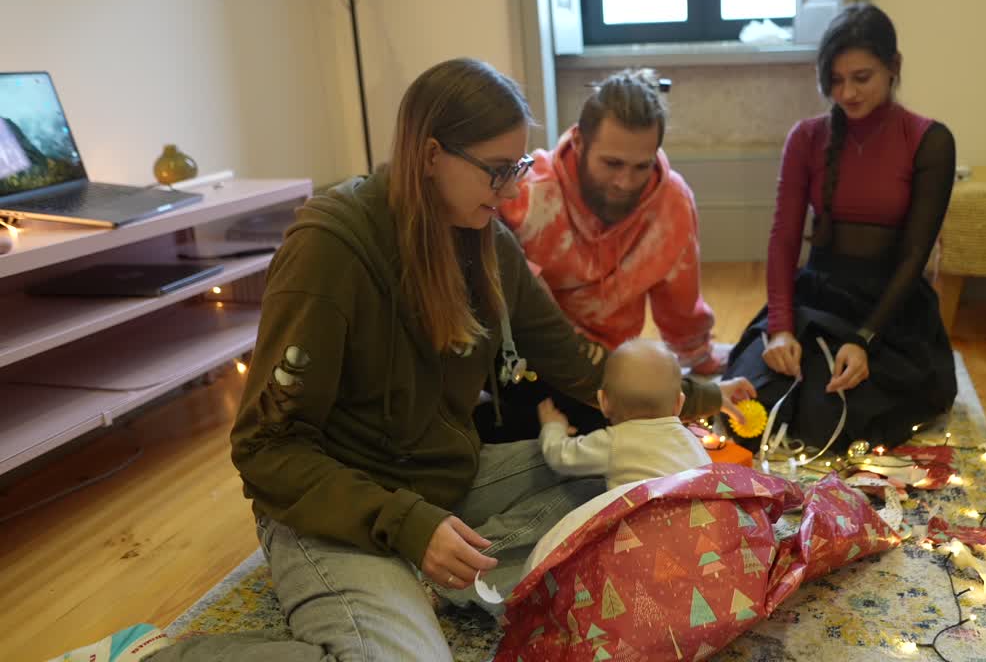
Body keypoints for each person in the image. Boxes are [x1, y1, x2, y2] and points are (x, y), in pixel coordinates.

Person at [51, 58, 754, 662]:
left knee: (633, 482)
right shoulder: (330, 247)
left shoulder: (481, 239)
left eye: (518, 168)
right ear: (429, 154)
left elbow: (573, 361)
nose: (512, 190)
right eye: (496, 170)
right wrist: (408, 525)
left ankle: (420, 584)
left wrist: (700, 398)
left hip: (440, 479)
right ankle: (149, 653)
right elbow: (267, 448)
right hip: (333, 506)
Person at [725, 3, 958, 454]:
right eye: (835, 80)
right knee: (753, 400)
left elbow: (915, 257)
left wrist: (865, 339)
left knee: (823, 417)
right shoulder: (806, 137)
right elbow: (784, 240)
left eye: (861, 77)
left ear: (894, 68)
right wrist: (780, 328)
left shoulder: (931, 141)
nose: (847, 93)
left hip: (889, 307)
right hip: (818, 294)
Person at [479, 69, 723, 444]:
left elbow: (681, 311)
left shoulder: (672, 203)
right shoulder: (525, 193)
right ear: (578, 141)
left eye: (641, 166)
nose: (625, 182)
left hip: (609, 376)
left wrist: (703, 363)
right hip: (530, 365)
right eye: (612, 164)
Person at [538, 339, 713, 491]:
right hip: (712, 520)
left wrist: (553, 426)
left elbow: (561, 457)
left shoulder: (613, 442)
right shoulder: (690, 439)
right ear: (679, 404)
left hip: (649, 526)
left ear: (603, 402)